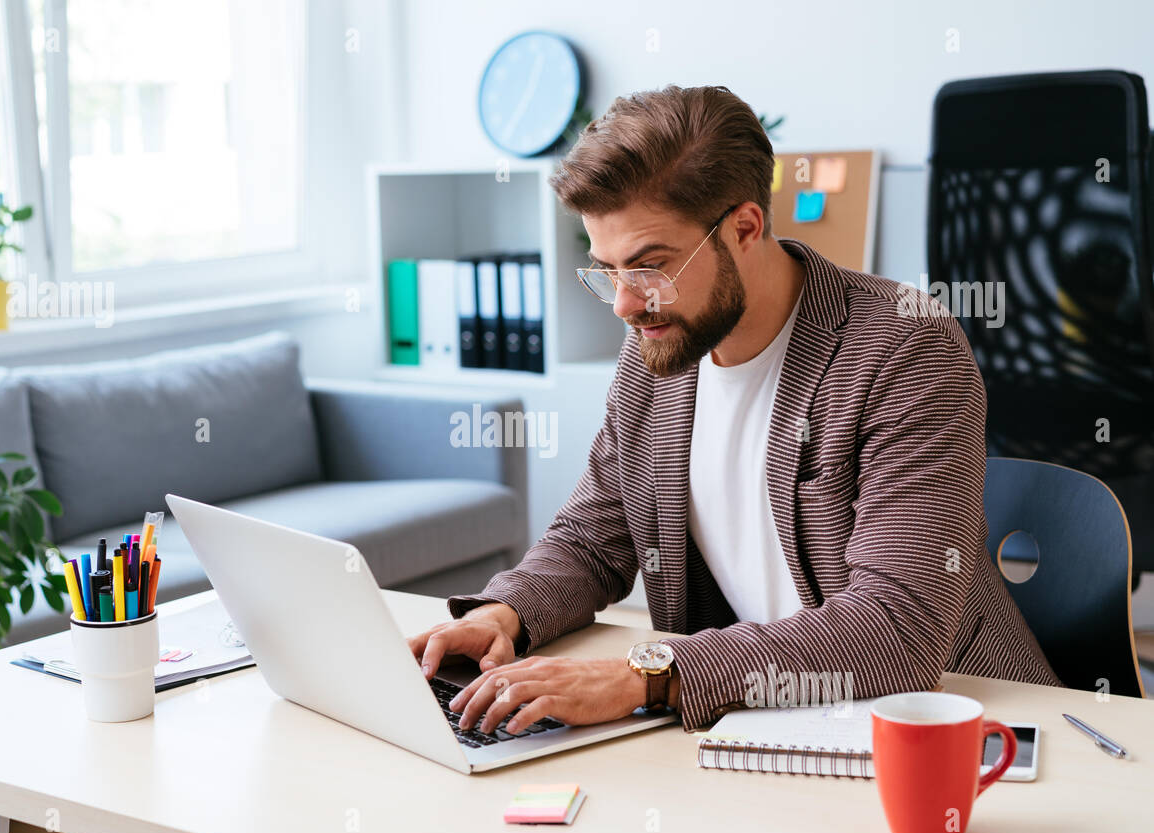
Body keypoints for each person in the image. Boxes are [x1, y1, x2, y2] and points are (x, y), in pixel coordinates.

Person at [408, 84, 1061, 737]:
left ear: (745, 227)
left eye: (649, 266)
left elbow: (896, 627)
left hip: (950, 725)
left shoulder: (905, 348)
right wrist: (504, 613)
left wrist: (646, 673)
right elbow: (592, 538)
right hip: (764, 720)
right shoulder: (658, 351)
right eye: (606, 270)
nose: (625, 305)